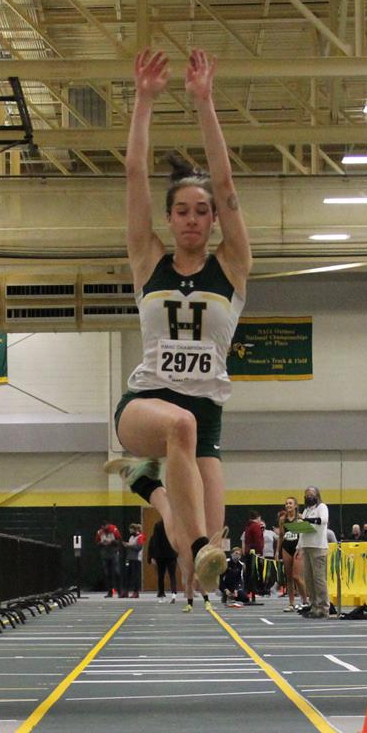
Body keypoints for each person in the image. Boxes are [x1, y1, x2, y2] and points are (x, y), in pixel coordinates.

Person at [114, 48, 250, 598]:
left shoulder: (232, 266)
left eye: (202, 210)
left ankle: (162, 498)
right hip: (148, 406)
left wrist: (205, 103)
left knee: (205, 558)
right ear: (169, 219)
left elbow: (225, 178)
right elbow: (133, 175)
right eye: (182, 211)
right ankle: (184, 526)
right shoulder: (150, 261)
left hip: (204, 418)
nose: (193, 219)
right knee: (180, 428)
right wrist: (144, 102)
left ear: (214, 217)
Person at [299, 485, 332, 617]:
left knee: (319, 579)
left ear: (317, 495)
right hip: (307, 546)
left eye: (311, 494)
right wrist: (299, 547)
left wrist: (306, 520)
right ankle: (314, 606)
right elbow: (302, 530)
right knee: (309, 579)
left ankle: (323, 608)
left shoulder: (321, 507)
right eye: (306, 494)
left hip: (318, 547)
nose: (309, 496)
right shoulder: (306, 510)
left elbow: (323, 521)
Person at [277, 496, 303, 612]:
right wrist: (277, 551)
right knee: (288, 577)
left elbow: (304, 536)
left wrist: (302, 549)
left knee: (296, 576)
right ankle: (291, 603)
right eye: (286, 503)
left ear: (295, 506)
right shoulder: (283, 519)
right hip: (286, 547)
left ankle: (305, 600)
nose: (288, 505)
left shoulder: (300, 518)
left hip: (298, 547)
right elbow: (281, 536)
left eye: (290, 503)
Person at [148, 521, 180, 599]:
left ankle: (161, 592)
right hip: (171, 554)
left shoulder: (158, 525)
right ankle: (174, 591)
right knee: (172, 574)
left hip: (161, 554)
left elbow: (155, 541)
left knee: (161, 575)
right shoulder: (173, 524)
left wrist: (153, 556)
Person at [96, 520, 122, 596]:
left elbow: (119, 540)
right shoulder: (100, 532)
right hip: (105, 554)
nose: (104, 528)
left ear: (108, 525)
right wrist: (101, 543)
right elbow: (97, 543)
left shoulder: (114, 530)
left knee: (117, 572)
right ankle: (110, 591)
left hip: (113, 553)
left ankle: (119, 591)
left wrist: (112, 542)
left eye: (105, 526)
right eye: (103, 527)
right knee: (107, 573)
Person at [122, 522, 144, 598]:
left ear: (135, 530)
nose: (130, 531)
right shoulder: (131, 537)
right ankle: (126, 591)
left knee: (135, 576)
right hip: (129, 558)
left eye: (131, 530)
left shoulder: (141, 537)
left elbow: (139, 547)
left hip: (136, 559)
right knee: (127, 575)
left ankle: (136, 592)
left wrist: (129, 545)